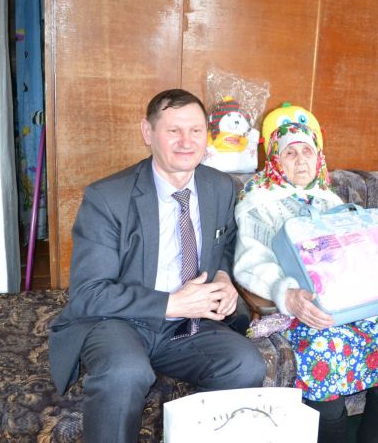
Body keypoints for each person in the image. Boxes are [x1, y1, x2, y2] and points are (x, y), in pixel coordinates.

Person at [48, 89, 266, 443]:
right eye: (173, 131)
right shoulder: (108, 197)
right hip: (119, 320)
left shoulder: (220, 187)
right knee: (125, 371)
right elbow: (88, 293)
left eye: (195, 131)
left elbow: (226, 242)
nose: (186, 142)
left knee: (246, 364)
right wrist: (172, 303)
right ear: (148, 133)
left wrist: (224, 277)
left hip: (188, 325)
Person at [233, 112, 378, 443]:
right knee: (326, 343)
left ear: (318, 157)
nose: (300, 160)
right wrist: (286, 294)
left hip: (348, 300)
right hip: (299, 306)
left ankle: (377, 436)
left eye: (307, 151)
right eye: (290, 152)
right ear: (275, 159)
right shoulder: (258, 202)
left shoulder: (330, 199)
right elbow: (250, 261)